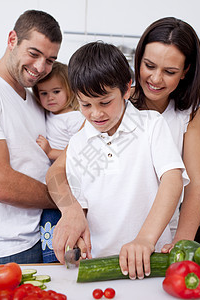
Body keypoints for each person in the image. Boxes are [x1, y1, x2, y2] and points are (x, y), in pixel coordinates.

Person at [65, 41, 189, 280]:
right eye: (85, 105)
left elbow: (173, 180)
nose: (96, 114)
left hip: (151, 263)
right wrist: (77, 236)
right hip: (101, 267)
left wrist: (145, 239)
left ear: (126, 90)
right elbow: (81, 207)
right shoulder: (77, 144)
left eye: (105, 102)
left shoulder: (151, 125)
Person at [0, 9, 66, 264]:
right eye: (34, 54)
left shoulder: (37, 98)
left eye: (50, 60)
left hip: (43, 236)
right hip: (5, 250)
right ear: (12, 39)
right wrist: (65, 200)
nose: (40, 67)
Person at [130, 17, 200, 253]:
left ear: (185, 71)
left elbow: (195, 184)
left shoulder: (189, 110)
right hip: (116, 233)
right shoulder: (117, 101)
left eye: (169, 71)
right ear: (139, 59)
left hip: (165, 235)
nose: (155, 79)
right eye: (149, 66)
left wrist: (182, 243)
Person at [32, 61, 84, 262]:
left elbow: (78, 151)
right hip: (53, 186)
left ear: (69, 90)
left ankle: (65, 260)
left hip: (69, 182)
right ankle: (54, 258)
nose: (50, 98)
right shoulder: (49, 115)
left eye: (56, 91)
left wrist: (50, 151)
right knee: (51, 226)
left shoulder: (74, 118)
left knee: (67, 223)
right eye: (43, 93)